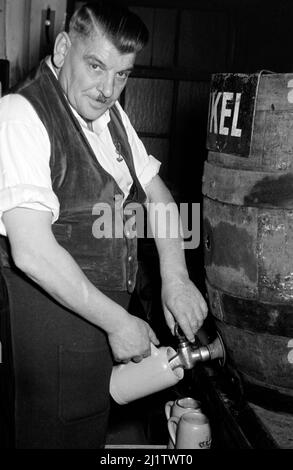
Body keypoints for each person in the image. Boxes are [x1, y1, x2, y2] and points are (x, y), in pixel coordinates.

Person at [0, 1, 207, 449]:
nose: (108, 88)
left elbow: (158, 196)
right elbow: (31, 250)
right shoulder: (20, 114)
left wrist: (175, 276)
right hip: (54, 322)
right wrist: (118, 322)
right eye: (96, 66)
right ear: (61, 50)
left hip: (98, 314)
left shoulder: (110, 116)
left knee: (88, 429)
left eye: (123, 74)